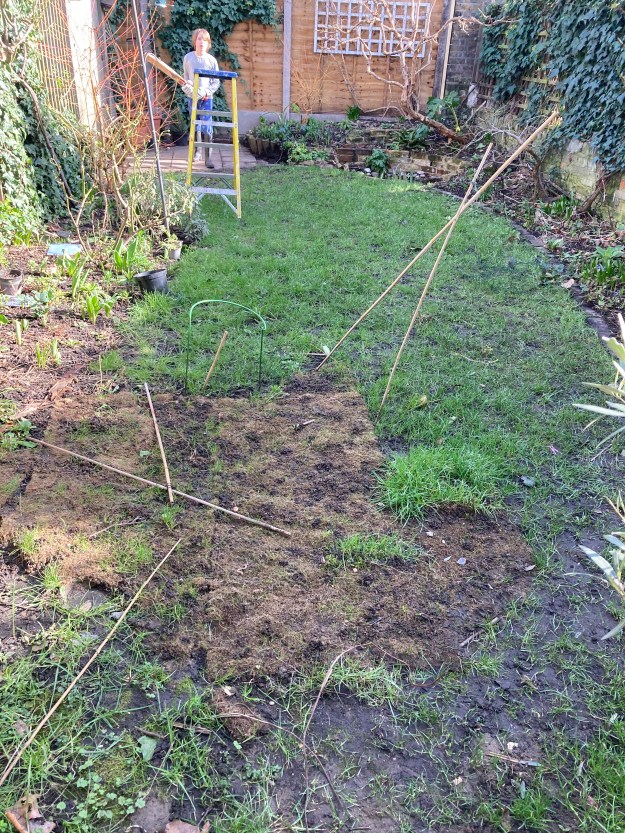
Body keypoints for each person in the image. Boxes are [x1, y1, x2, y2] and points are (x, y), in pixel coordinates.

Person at [182, 29, 220, 169]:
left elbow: (216, 82)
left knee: (206, 126)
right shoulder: (188, 58)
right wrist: (188, 87)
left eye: (204, 40)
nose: (201, 42)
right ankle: (196, 153)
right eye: (199, 39)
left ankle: (208, 158)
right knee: (195, 125)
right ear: (195, 42)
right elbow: (185, 77)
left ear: (208, 43)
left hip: (206, 99)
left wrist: (206, 92)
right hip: (192, 98)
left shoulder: (211, 61)